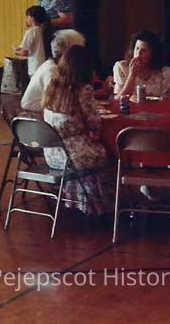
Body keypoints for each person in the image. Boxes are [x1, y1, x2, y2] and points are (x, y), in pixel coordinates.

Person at [42, 45, 114, 217]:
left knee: (93, 152)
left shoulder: (53, 86)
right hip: (74, 156)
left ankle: (77, 199)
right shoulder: (82, 90)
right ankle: (104, 204)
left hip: (52, 153)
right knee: (111, 153)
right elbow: (94, 123)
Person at [21, 29, 86, 115]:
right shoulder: (51, 70)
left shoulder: (56, 66)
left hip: (45, 110)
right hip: (36, 114)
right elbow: (57, 101)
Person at [113, 30, 170, 99]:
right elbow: (118, 100)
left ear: (153, 53)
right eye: (137, 49)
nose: (138, 54)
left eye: (144, 50)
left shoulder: (164, 72)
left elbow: (165, 100)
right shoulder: (121, 67)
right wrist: (132, 76)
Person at [15, 5, 54, 77]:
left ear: (32, 18)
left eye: (28, 17)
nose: (26, 19)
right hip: (46, 65)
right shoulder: (44, 30)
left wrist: (16, 52)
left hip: (35, 66)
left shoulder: (30, 32)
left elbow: (24, 52)